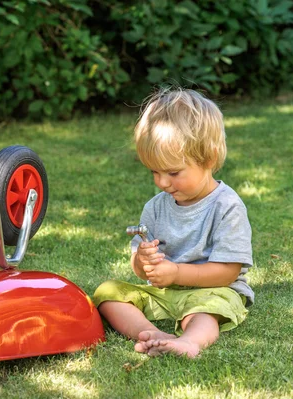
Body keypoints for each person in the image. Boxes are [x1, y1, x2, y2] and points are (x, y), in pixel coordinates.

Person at [93, 88, 254, 358]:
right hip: (166, 293)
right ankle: (154, 334)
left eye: (173, 172)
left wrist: (177, 273)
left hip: (214, 291)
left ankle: (190, 342)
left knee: (208, 310)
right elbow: (141, 273)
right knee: (107, 293)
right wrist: (143, 261)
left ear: (209, 159)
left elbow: (228, 272)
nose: (162, 182)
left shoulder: (227, 207)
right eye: (154, 171)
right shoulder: (155, 207)